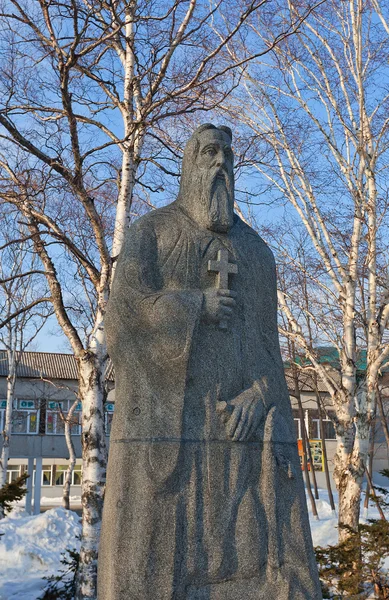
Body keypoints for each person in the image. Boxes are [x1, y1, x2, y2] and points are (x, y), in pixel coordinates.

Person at [98, 124, 322, 599]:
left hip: (236, 441)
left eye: (227, 154)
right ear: (189, 164)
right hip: (172, 433)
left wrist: (259, 396)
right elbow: (123, 321)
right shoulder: (152, 235)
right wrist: (195, 306)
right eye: (208, 153)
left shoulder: (257, 255)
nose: (220, 162)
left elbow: (267, 350)